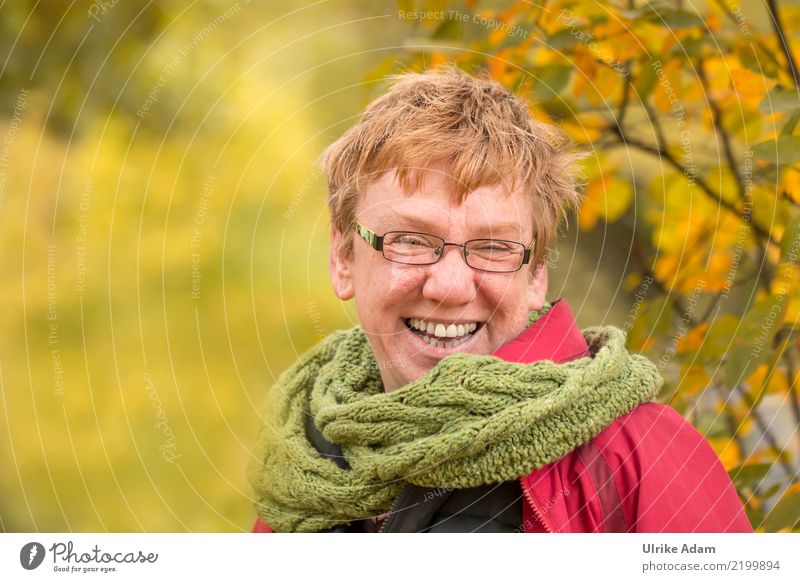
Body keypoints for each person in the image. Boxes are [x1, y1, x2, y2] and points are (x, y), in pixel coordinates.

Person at [247, 65, 752, 533]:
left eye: (493, 248)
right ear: (342, 259)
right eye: (410, 239)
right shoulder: (303, 454)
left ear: (535, 275)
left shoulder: (642, 460)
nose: (448, 287)